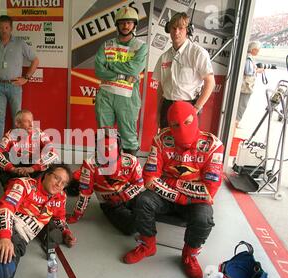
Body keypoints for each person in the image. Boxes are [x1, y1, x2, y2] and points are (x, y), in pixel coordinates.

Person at [122, 101, 224, 278]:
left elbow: (209, 191)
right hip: (173, 196)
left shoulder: (213, 145)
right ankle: (148, 245)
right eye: (175, 125)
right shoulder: (161, 139)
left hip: (190, 199)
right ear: (169, 124)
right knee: (142, 201)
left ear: (196, 119)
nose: (182, 129)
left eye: (187, 122)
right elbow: (150, 178)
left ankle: (189, 255)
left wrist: (172, 185)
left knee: (205, 217)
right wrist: (180, 194)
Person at [67, 127, 145, 237]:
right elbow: (85, 194)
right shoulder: (89, 164)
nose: (108, 151)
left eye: (112, 146)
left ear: (119, 146)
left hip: (130, 195)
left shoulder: (131, 160)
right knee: (132, 228)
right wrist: (76, 215)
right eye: (103, 147)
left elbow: (139, 184)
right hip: (110, 204)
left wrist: (123, 196)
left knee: (149, 205)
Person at [94, 6, 147, 155]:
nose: (125, 26)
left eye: (129, 22)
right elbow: (99, 70)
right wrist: (121, 75)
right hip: (105, 95)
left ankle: (129, 170)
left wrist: (109, 65)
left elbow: (134, 69)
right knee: (105, 136)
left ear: (134, 25)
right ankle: (107, 171)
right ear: (117, 24)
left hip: (128, 97)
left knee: (129, 137)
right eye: (122, 22)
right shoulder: (106, 45)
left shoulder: (140, 47)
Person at [0, 15, 39, 144]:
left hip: (15, 86)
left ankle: (17, 144)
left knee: (17, 119)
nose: (4, 30)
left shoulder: (20, 43)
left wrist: (26, 78)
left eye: (6, 27)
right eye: (1, 27)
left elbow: (35, 60)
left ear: (11, 28)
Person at [153, 12, 215, 128]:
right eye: (173, 28)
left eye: (181, 28)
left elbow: (210, 82)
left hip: (188, 107)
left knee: (186, 145)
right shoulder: (164, 57)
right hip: (167, 107)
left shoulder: (198, 53)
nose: (176, 32)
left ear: (188, 30)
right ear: (169, 29)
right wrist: (158, 112)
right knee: (166, 144)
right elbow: (161, 87)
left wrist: (195, 109)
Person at [0, 109, 59, 189]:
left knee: (55, 161)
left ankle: (36, 187)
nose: (31, 124)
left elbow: (53, 153)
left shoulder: (39, 134)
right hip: (16, 167)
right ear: (18, 124)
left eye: (32, 121)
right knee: (3, 155)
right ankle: (11, 187)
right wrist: (12, 169)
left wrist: (32, 168)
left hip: (34, 166)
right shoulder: (10, 135)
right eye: (27, 121)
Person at [236, 41, 264, 128]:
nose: (258, 52)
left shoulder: (248, 57)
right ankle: (236, 121)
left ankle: (236, 120)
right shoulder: (248, 58)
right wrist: (257, 71)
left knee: (241, 103)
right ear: (252, 49)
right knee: (242, 104)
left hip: (245, 85)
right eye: (257, 50)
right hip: (246, 86)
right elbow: (248, 71)